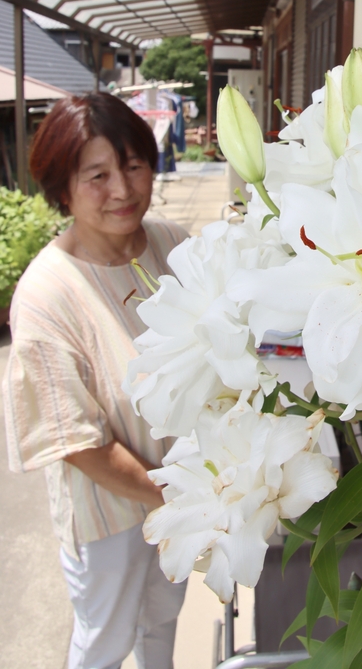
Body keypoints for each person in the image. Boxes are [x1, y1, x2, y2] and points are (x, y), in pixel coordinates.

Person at [3, 93, 189, 669]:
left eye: (134, 166)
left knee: (163, 620)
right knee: (104, 642)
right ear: (63, 187)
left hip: (186, 495)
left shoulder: (173, 246)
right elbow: (78, 443)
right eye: (98, 175)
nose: (123, 190)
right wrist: (178, 495)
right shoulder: (46, 295)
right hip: (109, 515)